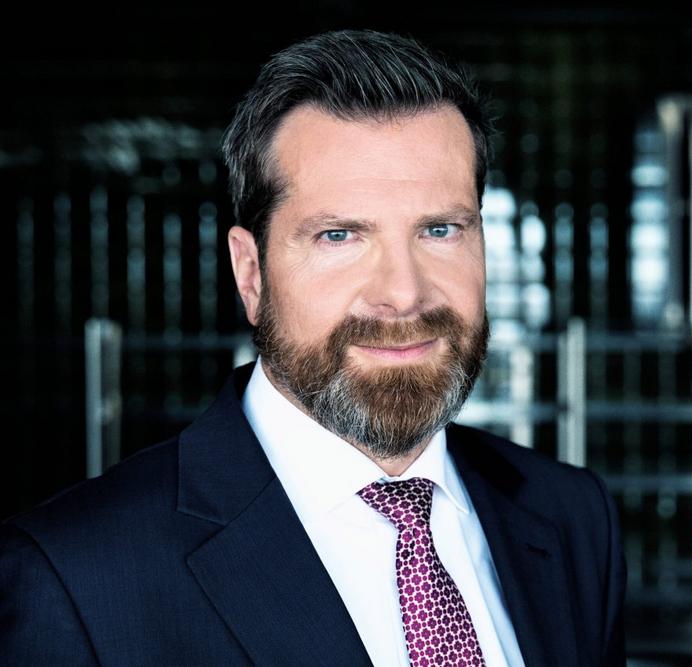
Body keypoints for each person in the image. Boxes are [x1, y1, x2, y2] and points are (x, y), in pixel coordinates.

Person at [0, 30, 626, 666]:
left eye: (440, 230)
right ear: (251, 274)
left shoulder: (574, 518)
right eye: (339, 236)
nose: (403, 294)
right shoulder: (73, 579)